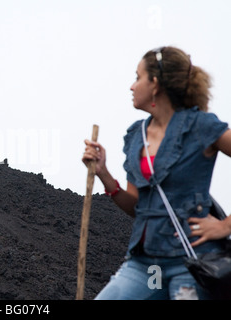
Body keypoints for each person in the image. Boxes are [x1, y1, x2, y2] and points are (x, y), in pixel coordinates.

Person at [82, 46, 231, 300]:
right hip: (144, 264)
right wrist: (104, 174)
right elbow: (137, 206)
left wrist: (226, 225)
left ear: (155, 84)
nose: (131, 86)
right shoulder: (135, 137)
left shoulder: (202, 127)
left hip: (192, 263)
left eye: (137, 77)